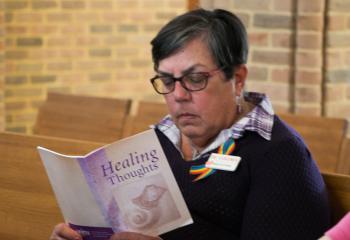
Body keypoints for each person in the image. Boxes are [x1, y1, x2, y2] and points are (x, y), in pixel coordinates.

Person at [50, 8, 330, 240]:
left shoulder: (280, 156)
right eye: (168, 81)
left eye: (195, 79)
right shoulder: (154, 144)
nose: (179, 95)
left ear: (238, 79)